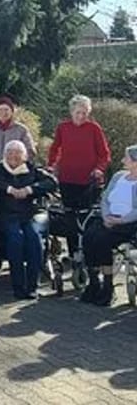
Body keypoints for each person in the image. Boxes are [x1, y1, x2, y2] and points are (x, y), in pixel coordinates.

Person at [0, 140, 57, 300]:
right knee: (16, 237)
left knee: (34, 238)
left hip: (30, 213)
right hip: (5, 213)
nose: (13, 156)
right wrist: (9, 189)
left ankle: (32, 286)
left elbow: (52, 182)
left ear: (24, 156)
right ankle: (18, 286)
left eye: (17, 153)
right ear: (5, 155)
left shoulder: (32, 169)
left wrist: (29, 190)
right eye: (10, 152)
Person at [79, 145, 137, 306]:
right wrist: (106, 216)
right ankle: (93, 282)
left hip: (128, 223)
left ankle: (108, 286)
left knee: (102, 241)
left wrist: (120, 220)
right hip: (107, 218)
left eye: (126, 158)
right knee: (89, 236)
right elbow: (105, 198)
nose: (123, 160)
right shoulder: (119, 176)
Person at [47, 95, 110, 227]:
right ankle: (73, 247)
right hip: (67, 178)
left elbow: (104, 154)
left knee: (85, 217)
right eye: (78, 112)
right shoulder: (63, 127)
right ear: (71, 112)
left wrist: (99, 169)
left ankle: (86, 246)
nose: (81, 116)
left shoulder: (94, 128)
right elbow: (54, 149)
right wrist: (52, 165)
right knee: (69, 216)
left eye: (84, 113)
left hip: (89, 180)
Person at [0, 95, 36, 164]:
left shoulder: (21, 130)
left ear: (12, 111)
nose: (3, 113)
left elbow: (30, 150)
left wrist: (21, 163)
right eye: (0, 110)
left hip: (15, 169)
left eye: (6, 110)